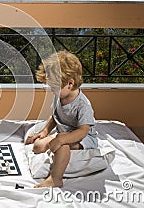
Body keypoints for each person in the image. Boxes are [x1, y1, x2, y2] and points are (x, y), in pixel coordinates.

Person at [25, 50, 97, 188]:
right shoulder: (60, 96)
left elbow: (83, 131)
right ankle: (58, 139)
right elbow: (55, 116)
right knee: (37, 147)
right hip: (64, 132)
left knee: (62, 146)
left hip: (84, 138)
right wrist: (45, 132)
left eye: (54, 86)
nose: (51, 90)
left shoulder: (83, 105)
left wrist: (62, 139)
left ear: (70, 84)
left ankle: (55, 178)